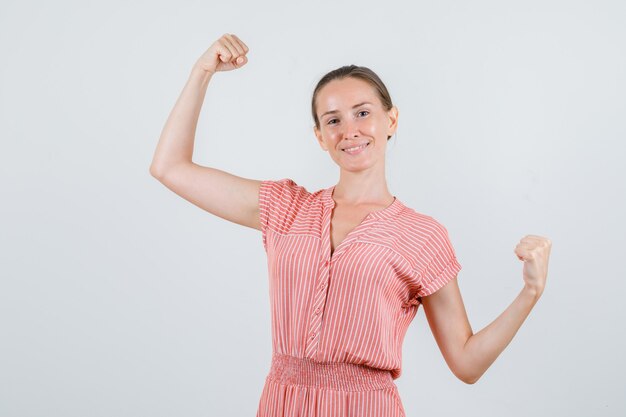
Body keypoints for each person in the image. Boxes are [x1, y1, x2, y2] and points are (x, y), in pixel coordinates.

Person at [150, 33, 552, 417]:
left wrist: (530, 292)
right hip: (281, 403)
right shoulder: (286, 208)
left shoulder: (422, 236)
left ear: (391, 120)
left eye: (363, 113)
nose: (350, 131)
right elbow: (169, 167)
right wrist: (201, 71)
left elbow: (466, 363)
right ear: (320, 136)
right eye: (333, 120)